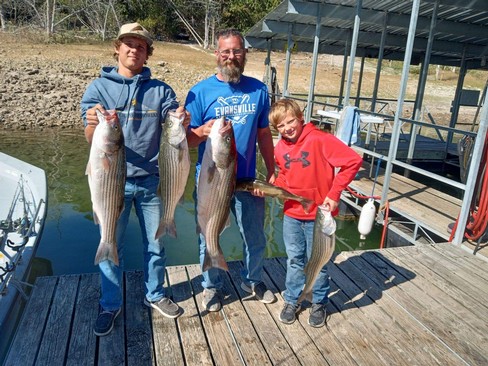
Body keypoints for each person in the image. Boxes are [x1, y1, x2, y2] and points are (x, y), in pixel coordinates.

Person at [81, 22, 190, 336]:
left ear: (147, 53)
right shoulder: (98, 88)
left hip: (151, 182)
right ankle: (110, 304)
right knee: (109, 243)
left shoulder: (161, 90)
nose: (134, 50)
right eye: (128, 44)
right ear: (117, 47)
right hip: (110, 183)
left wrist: (181, 117)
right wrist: (93, 122)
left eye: (140, 46)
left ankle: (155, 294)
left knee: (155, 244)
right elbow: (91, 136)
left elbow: (175, 121)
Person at [185, 28, 276, 311]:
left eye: (237, 51)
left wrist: (272, 170)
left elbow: (264, 134)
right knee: (208, 233)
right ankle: (211, 286)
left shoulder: (259, 90)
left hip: (247, 178)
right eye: (226, 51)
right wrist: (201, 130)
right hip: (212, 178)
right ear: (217, 54)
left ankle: (253, 280)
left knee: (254, 235)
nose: (231, 56)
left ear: (245, 54)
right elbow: (187, 140)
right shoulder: (199, 92)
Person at [268, 99, 362, 327]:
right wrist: (272, 186)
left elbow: (353, 161)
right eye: (281, 126)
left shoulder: (320, 139)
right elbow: (286, 179)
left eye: (290, 121)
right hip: (291, 215)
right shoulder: (279, 148)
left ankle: (318, 301)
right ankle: (292, 299)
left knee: (318, 261)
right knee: (294, 260)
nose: (287, 128)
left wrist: (334, 193)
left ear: (300, 118)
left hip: (320, 218)